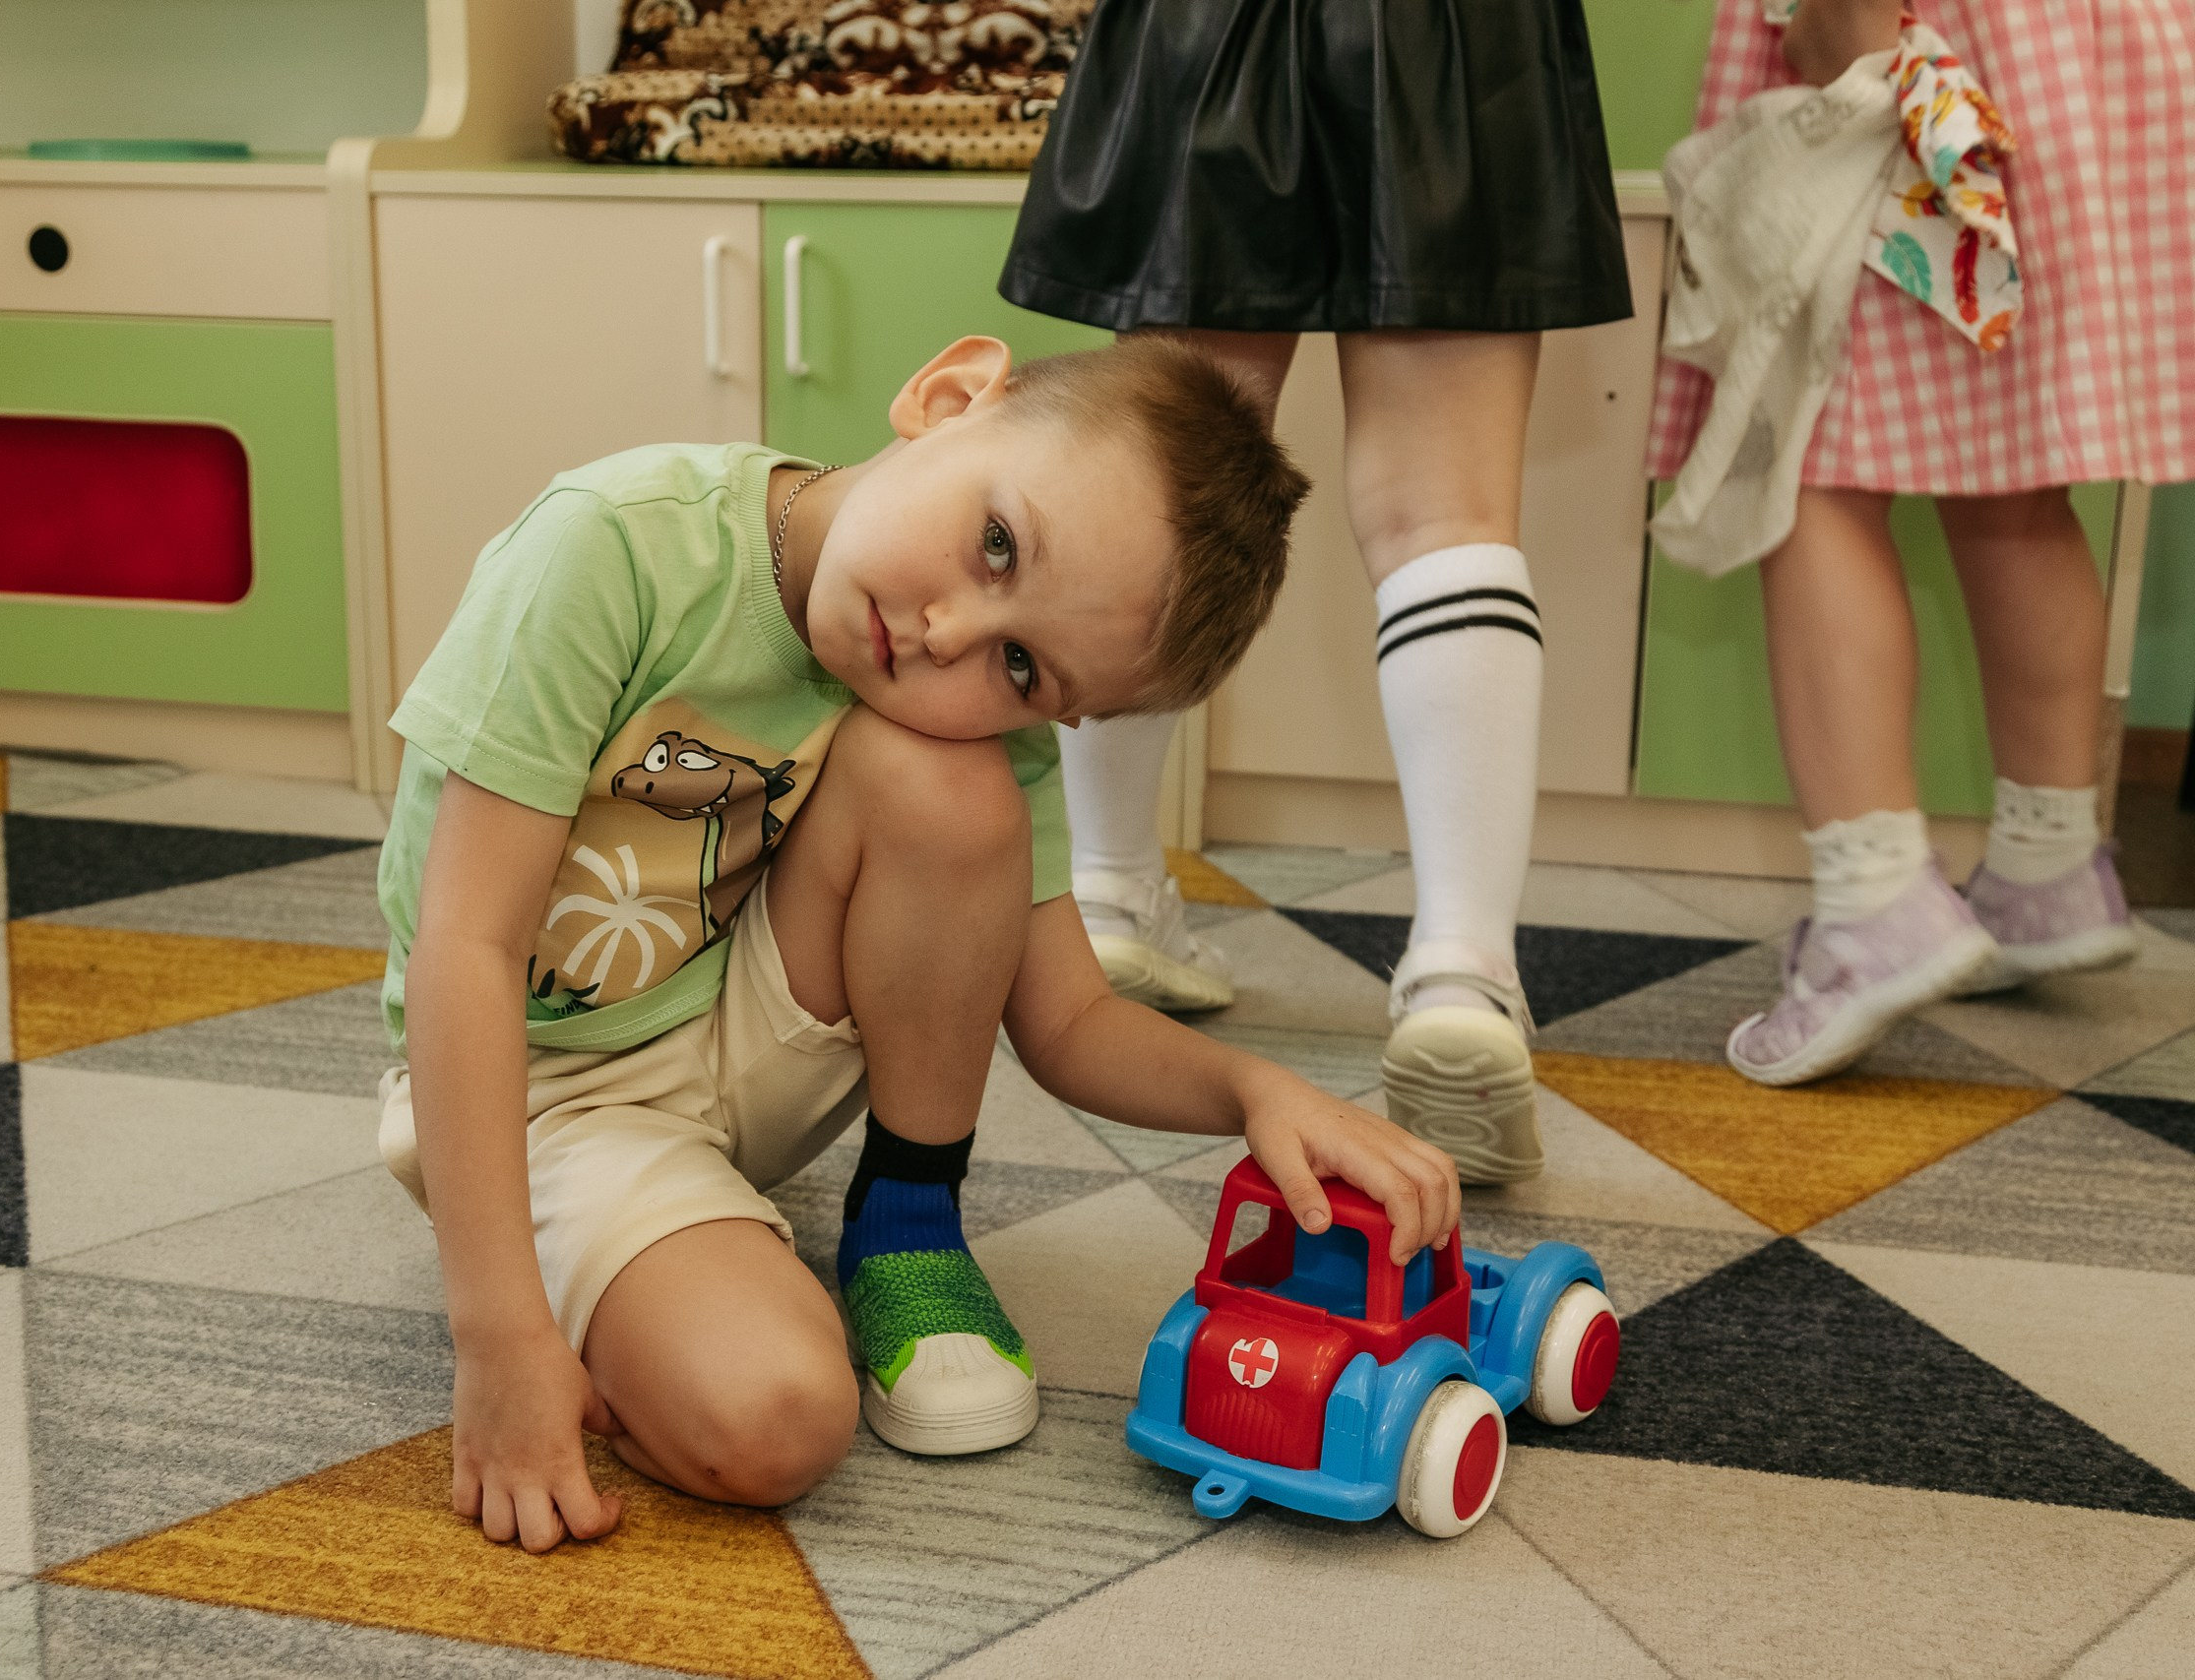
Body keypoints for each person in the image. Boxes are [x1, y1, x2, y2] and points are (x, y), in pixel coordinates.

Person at [374, 333, 1465, 1552]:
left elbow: (1068, 1020)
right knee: (778, 1423)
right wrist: (501, 1332)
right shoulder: (614, 546)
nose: (950, 631)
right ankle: (593, 1265)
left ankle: (907, 1226)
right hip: (536, 1089)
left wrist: (1258, 1091)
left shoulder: (985, 722)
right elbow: (463, 946)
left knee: (953, 787)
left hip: (738, 1029)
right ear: (947, 400)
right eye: (997, 542)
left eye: (1022, 667)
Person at [998, 0, 1635, 1185]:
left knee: (1164, 478)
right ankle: (1460, 975)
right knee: (1444, 515)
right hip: (1456, 35)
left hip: (1206, 28)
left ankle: (1110, 895)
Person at [1649, 0, 2190, 1086]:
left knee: (1812, 467)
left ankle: (1874, 910)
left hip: (1921, 60)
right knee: (2012, 472)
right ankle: (2048, 865)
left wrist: (1841, 30)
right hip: (2094, 59)